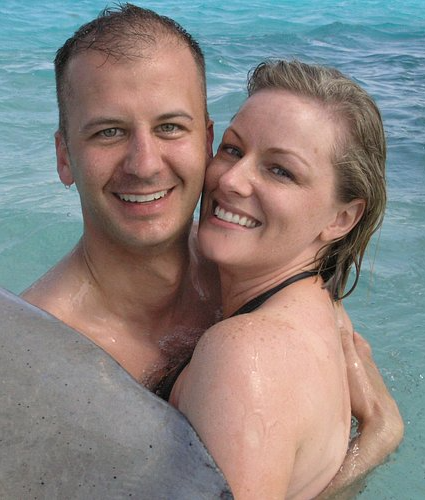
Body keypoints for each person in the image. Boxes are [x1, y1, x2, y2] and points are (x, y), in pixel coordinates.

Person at [21, 4, 403, 496]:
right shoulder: (41, 356)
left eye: (169, 127)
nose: (144, 164)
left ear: (204, 140)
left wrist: (378, 436)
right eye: (108, 132)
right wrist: (377, 439)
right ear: (63, 156)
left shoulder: (253, 275)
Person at [169, 59, 397, 499]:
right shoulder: (323, 305)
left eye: (280, 171)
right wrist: (380, 433)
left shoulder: (246, 354)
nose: (231, 180)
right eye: (232, 149)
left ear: (341, 218)